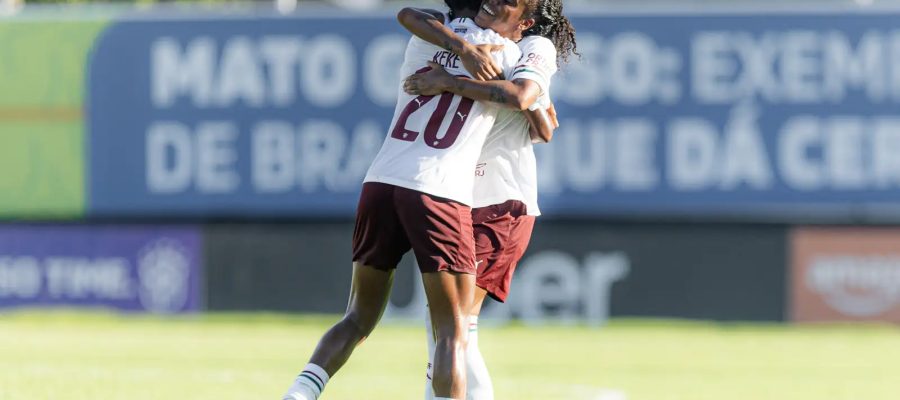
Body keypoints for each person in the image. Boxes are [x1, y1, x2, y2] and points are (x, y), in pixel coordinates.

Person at [280, 1, 540, 400]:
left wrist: (456, 58)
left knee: (358, 316)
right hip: (440, 190)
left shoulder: (426, 39)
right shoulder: (506, 55)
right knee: (452, 332)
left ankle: (300, 392)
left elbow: (408, 14)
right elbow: (522, 97)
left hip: (381, 181)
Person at [399, 0, 579, 398]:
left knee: (453, 326)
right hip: (460, 198)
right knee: (450, 325)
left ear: (527, 20)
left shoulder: (535, 47)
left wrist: (449, 82)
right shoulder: (463, 34)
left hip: (501, 201)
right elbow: (408, 15)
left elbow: (529, 102)